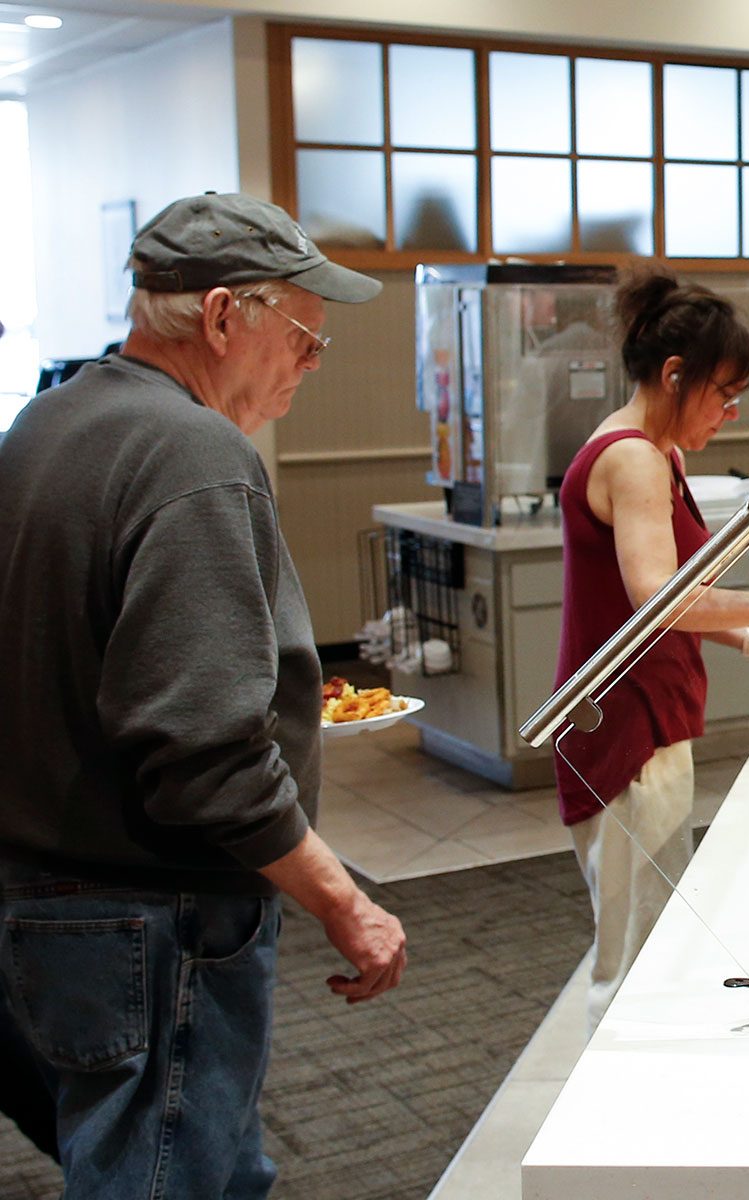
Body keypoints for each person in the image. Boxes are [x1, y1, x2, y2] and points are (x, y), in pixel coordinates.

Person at [0, 192, 408, 1197]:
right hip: (152, 908)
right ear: (225, 317)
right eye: (304, 337)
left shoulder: (47, 420)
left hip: (40, 890)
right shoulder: (193, 453)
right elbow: (202, 749)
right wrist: (342, 902)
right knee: (170, 1171)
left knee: (151, 1156)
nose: (311, 366)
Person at [554, 267, 749, 1029]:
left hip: (655, 710)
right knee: (634, 950)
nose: (727, 412)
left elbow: (678, 589)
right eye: (722, 394)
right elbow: (663, 600)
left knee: (659, 923)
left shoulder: (661, 454)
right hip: (619, 725)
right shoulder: (630, 458)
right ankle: (614, 1122)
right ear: (673, 376)